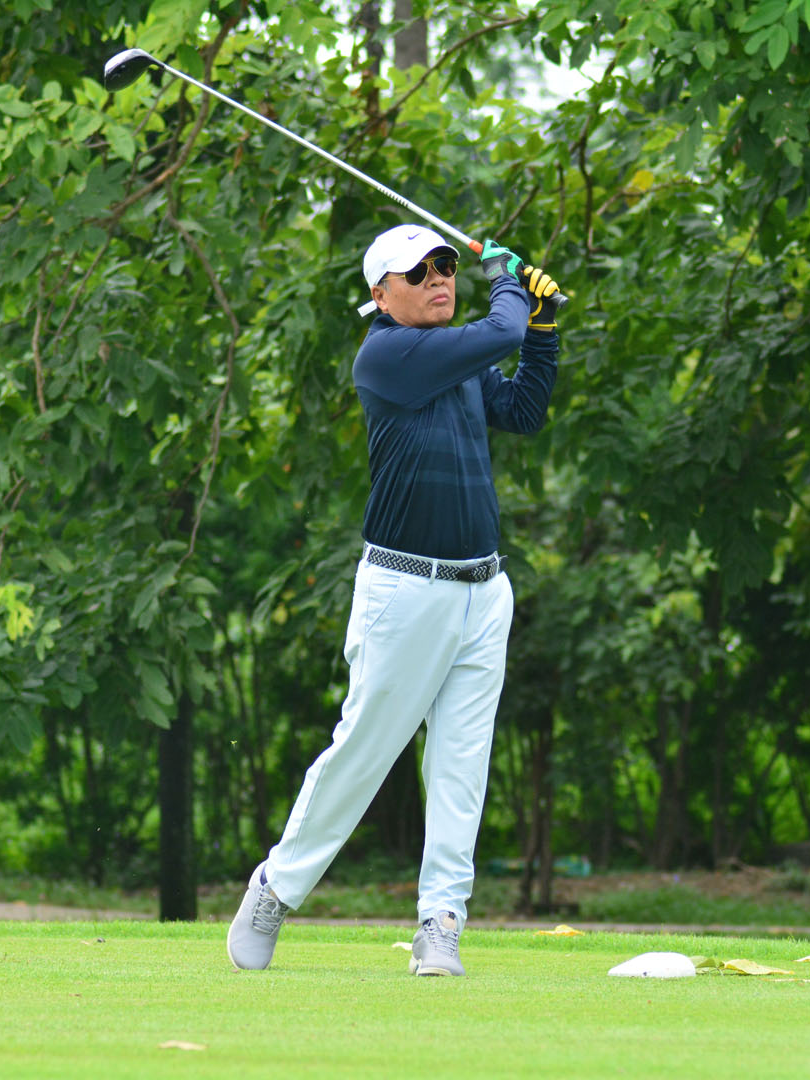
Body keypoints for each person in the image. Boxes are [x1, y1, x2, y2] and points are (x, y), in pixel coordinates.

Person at [226, 223, 564, 976]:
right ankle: (276, 887)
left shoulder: (456, 357)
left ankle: (441, 923)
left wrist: (543, 327)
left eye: (446, 265)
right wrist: (510, 283)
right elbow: (498, 329)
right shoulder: (386, 356)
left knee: (462, 766)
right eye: (420, 272)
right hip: (406, 589)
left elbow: (523, 410)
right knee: (365, 752)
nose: (440, 278)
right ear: (381, 296)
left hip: (484, 591)